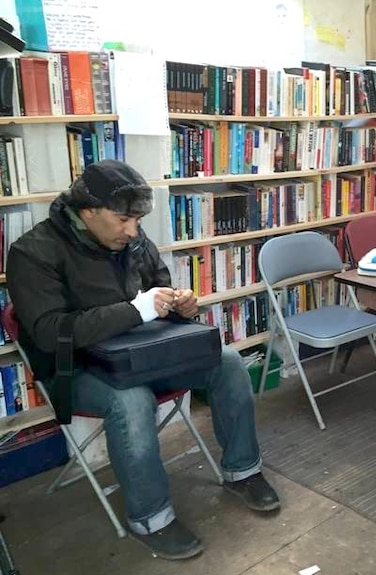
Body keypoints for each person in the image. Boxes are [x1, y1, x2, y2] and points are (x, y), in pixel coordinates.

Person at [5, 160, 280, 560]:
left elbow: (158, 287)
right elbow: (50, 333)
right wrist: (137, 310)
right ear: (87, 211)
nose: (133, 230)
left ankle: (243, 471)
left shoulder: (129, 238)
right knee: (130, 400)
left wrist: (177, 303)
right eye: (123, 220)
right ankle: (150, 517)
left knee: (228, 362)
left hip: (144, 351)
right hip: (76, 365)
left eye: (136, 220)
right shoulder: (32, 252)